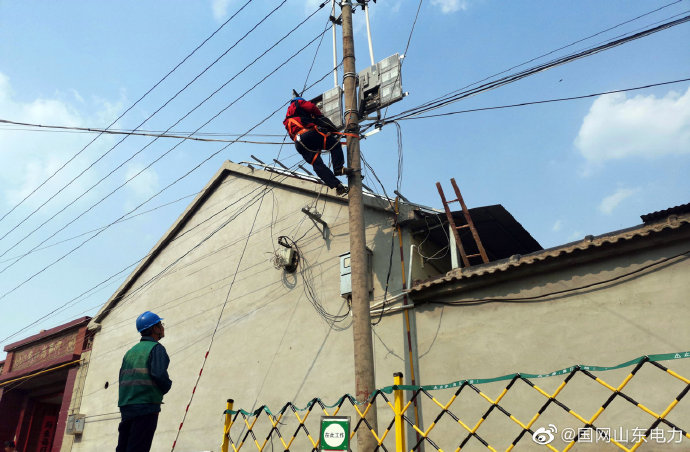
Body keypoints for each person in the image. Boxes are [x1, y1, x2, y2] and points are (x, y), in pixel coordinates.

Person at [116, 311, 172, 452]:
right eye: (160, 324)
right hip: (146, 406)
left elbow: (122, 377)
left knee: (124, 447)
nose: (163, 327)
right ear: (154, 328)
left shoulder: (130, 352)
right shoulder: (156, 348)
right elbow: (159, 375)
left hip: (127, 406)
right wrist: (167, 387)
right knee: (139, 447)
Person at [283, 92, 352, 195]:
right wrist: (319, 117)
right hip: (308, 134)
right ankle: (338, 168)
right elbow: (312, 107)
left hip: (299, 143)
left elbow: (293, 135)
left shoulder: (288, 121)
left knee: (317, 164)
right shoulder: (298, 103)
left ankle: (337, 186)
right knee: (334, 144)